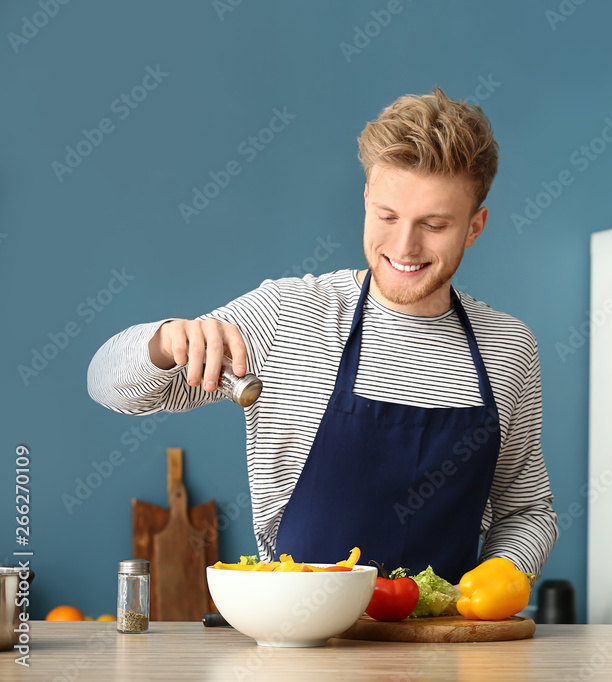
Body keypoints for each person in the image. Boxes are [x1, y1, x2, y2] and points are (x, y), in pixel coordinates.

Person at [88, 87, 558, 584]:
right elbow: (106, 384)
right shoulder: (289, 314)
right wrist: (165, 341)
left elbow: (525, 511)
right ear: (366, 200)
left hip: (443, 645)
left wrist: (500, 578)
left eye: (435, 224)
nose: (404, 246)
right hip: (303, 642)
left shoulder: (507, 347)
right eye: (387, 217)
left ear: (475, 227)